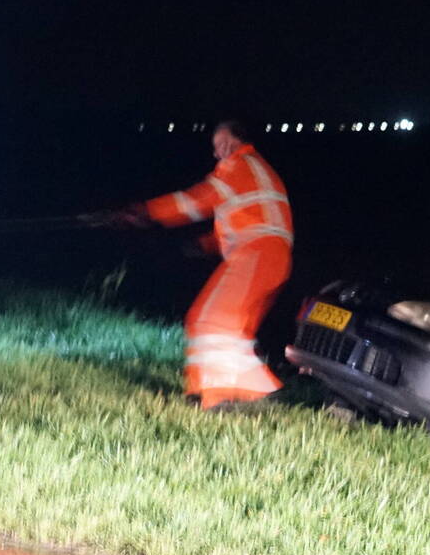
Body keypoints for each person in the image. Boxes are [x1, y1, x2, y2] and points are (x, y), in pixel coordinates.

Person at [109, 120, 293, 409]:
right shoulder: (255, 172)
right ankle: (244, 392)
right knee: (232, 330)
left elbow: (197, 200)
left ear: (234, 143)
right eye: (216, 147)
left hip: (257, 255)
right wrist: (203, 245)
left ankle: (221, 396)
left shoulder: (238, 166)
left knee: (208, 319)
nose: (217, 153)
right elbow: (249, 219)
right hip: (271, 259)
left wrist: (146, 211)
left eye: (220, 145)